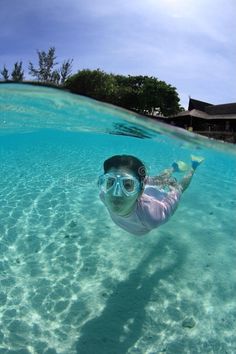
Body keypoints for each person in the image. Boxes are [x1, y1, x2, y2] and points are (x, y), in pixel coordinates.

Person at [98, 155, 204, 236]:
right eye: (110, 182)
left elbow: (176, 194)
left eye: (127, 185)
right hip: (142, 189)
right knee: (158, 179)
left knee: (179, 188)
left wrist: (174, 190)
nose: (116, 193)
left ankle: (194, 165)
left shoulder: (153, 216)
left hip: (157, 197)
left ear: (140, 192)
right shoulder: (103, 195)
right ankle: (173, 168)